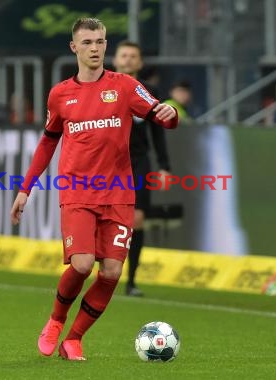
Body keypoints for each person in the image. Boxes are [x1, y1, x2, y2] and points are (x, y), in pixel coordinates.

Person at [10, 18, 178, 361]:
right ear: (74, 47)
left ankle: (74, 339)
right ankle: (56, 321)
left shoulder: (126, 86)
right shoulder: (60, 94)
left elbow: (164, 117)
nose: (95, 49)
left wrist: (171, 112)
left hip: (118, 192)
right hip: (77, 191)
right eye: (87, 42)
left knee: (113, 271)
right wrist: (26, 187)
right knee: (83, 264)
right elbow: (47, 142)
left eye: (100, 42)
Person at [112, 40, 172, 297]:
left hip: (138, 162)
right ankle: (107, 275)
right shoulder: (103, 88)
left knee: (137, 219)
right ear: (115, 60)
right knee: (106, 220)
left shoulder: (149, 92)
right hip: (107, 163)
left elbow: (157, 131)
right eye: (123, 55)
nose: (127, 60)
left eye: (132, 56)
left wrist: (164, 166)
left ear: (140, 63)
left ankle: (131, 281)